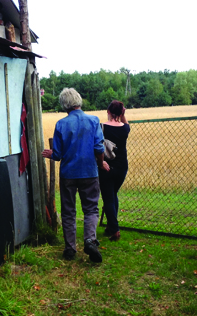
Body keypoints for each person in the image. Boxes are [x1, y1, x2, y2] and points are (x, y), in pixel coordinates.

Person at [42, 88, 108, 263]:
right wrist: (100, 164)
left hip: (68, 174)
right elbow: (99, 148)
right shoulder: (93, 121)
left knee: (68, 210)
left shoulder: (61, 124)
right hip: (89, 172)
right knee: (91, 208)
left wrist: (51, 154)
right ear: (79, 101)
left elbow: (57, 154)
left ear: (64, 105)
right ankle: (89, 240)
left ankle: (70, 249)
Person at [100, 100, 131, 241]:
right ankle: (110, 226)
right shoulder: (125, 128)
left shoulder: (102, 127)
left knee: (108, 199)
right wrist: (123, 114)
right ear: (121, 112)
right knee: (113, 195)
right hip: (122, 167)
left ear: (108, 112)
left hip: (106, 166)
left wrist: (101, 162)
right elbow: (126, 124)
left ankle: (114, 230)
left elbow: (97, 147)